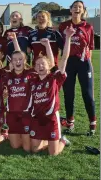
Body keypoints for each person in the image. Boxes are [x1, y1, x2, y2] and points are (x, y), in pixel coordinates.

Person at [28, 26, 74, 156]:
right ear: (35, 68)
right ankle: (49, 139)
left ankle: (62, 140)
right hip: (37, 118)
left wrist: (68, 37)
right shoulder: (32, 80)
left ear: (49, 66)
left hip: (51, 118)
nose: (40, 66)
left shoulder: (54, 78)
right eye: (38, 65)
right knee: (34, 150)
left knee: (53, 153)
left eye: (43, 64)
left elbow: (64, 57)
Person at [58, 0, 97, 136]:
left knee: (87, 94)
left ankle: (92, 124)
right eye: (74, 7)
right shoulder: (63, 26)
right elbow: (59, 46)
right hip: (68, 63)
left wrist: (89, 64)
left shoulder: (88, 27)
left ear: (83, 10)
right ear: (70, 10)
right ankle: (70, 121)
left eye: (80, 7)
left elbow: (90, 48)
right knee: (68, 94)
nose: (77, 9)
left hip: (83, 63)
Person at [5, 32, 35, 152]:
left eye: (20, 60)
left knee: (27, 148)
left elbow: (20, 55)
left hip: (26, 114)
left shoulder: (30, 74)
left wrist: (15, 40)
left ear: (25, 61)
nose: (18, 62)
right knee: (15, 146)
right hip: (12, 114)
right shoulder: (7, 75)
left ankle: (43, 138)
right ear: (11, 62)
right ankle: (6, 134)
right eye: (15, 60)